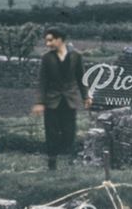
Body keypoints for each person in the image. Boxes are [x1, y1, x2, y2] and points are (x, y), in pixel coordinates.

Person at [31, 27, 91, 170]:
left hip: (70, 101)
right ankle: (52, 163)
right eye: (46, 41)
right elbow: (42, 82)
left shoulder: (76, 56)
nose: (48, 44)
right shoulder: (46, 58)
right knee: (51, 133)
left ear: (60, 39)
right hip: (52, 102)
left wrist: (86, 97)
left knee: (69, 134)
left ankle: (68, 161)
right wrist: (39, 102)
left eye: (50, 40)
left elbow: (81, 78)